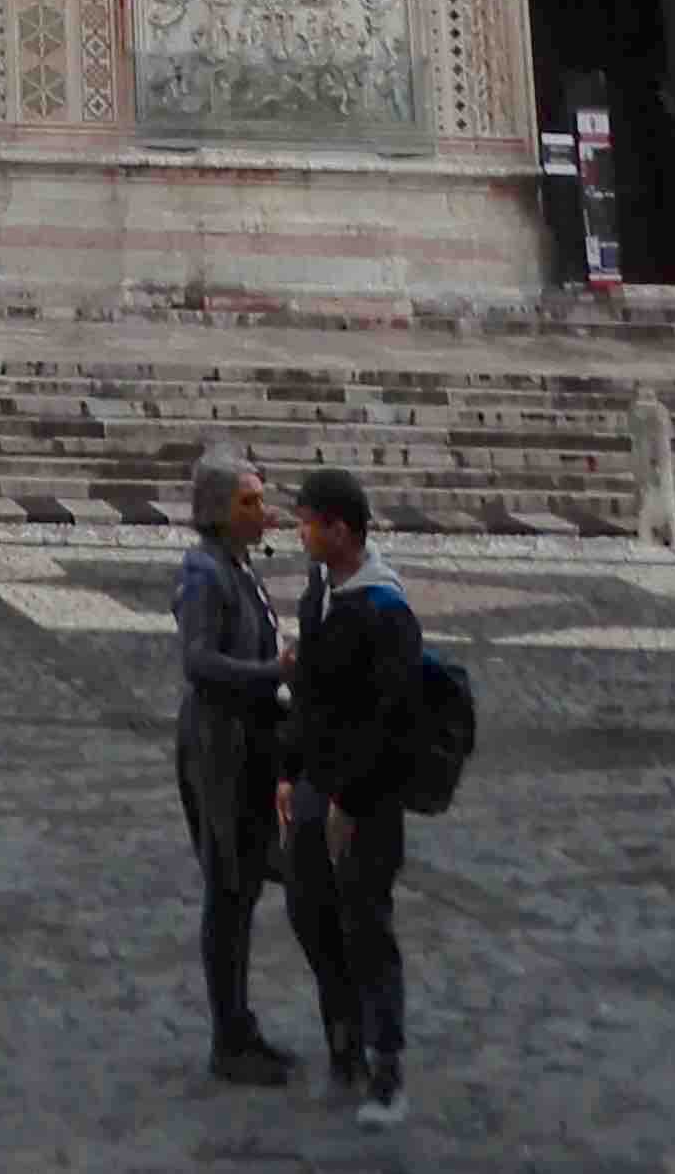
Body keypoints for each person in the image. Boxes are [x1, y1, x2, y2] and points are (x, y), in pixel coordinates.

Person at [282, 461, 424, 1129]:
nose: (299, 533)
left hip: (365, 800)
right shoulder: (318, 592)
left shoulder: (385, 611)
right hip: (313, 786)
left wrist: (348, 796)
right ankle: (342, 1039)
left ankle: (386, 1066)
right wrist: (288, 772)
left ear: (338, 528)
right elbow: (308, 698)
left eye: (306, 522)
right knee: (310, 913)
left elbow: (391, 721)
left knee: (366, 927)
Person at [174, 442, 297, 1086]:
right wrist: (270, 672)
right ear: (219, 510)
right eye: (248, 501)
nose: (262, 511)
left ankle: (241, 1023)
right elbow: (198, 663)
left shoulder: (238, 567)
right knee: (227, 887)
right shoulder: (205, 573)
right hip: (217, 749)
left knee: (244, 885)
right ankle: (228, 1037)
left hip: (247, 742)